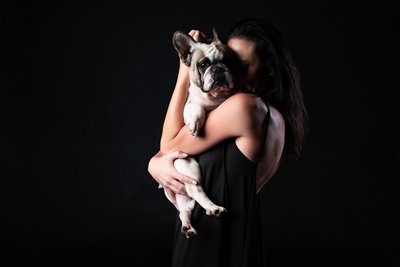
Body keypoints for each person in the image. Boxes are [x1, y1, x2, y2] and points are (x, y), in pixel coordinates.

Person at [147, 17, 308, 267]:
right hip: (238, 237)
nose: (231, 73)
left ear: (269, 69)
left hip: (210, 240)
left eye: (241, 65)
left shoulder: (244, 107)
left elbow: (168, 147)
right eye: (230, 63)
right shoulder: (274, 116)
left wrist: (184, 72)